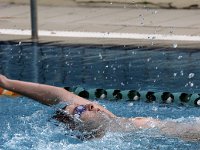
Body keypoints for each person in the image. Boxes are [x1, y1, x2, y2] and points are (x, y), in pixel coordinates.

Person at [0, 74, 200, 141]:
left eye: (84, 104)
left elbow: (59, 94)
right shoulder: (111, 139)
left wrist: (8, 83)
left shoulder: (123, 125)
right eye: (79, 111)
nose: (90, 106)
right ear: (78, 129)